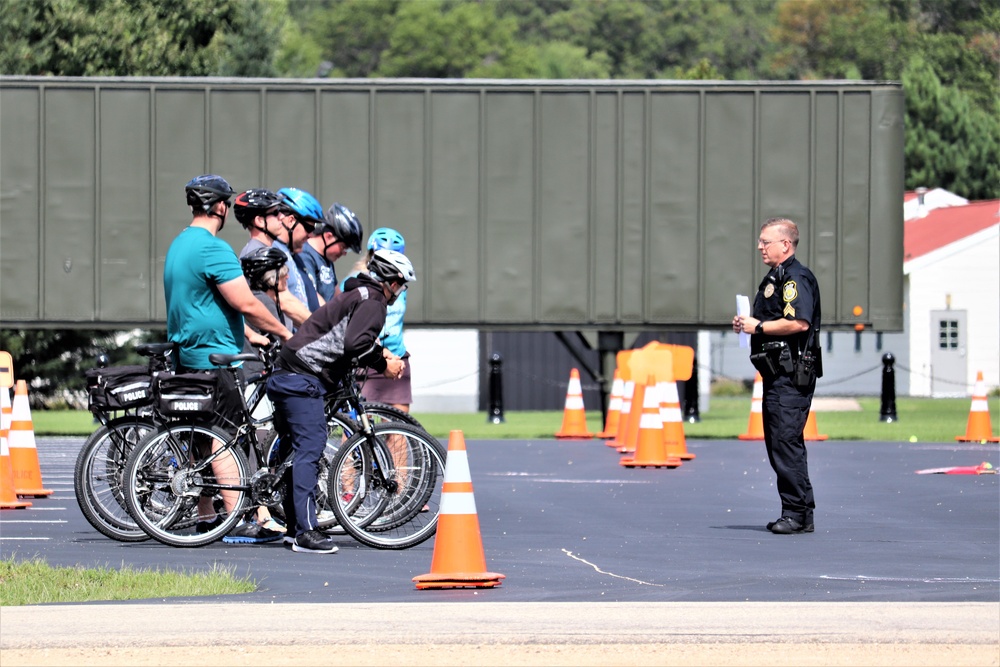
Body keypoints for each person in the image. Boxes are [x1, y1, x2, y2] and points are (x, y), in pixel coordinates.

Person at [165, 174, 293, 541]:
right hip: (215, 357)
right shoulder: (212, 248)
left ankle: (207, 516)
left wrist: (252, 336)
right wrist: (283, 333)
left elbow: (207, 304)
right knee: (227, 437)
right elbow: (245, 302)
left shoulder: (179, 244)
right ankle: (246, 516)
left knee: (202, 438)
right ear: (220, 206)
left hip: (189, 353)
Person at [266, 248, 415, 554]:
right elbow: (356, 343)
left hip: (290, 371)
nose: (401, 293)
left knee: (297, 450)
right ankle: (305, 534)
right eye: (401, 285)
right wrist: (383, 364)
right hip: (301, 376)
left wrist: (380, 355)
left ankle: (295, 526)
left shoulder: (358, 294)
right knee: (310, 447)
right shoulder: (374, 302)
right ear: (389, 281)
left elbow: (351, 338)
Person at [732, 218, 823, 535]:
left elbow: (799, 323)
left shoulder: (795, 278)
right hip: (777, 373)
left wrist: (756, 327)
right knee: (781, 443)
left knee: (785, 443)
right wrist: (751, 323)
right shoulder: (777, 277)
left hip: (790, 375)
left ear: (785, 244)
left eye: (765, 241)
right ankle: (800, 512)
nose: (760, 246)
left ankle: (796, 514)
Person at [341, 227, 412, 414]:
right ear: (372, 254)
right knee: (359, 422)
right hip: (366, 355)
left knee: (398, 420)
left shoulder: (398, 285)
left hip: (396, 354)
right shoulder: (355, 282)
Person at [234, 188, 313, 329]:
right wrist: (321, 329)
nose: (282, 217)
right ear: (259, 221)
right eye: (275, 213)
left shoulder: (269, 251)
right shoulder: (258, 255)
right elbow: (284, 300)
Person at [297, 203, 363, 305]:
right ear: (328, 236)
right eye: (343, 247)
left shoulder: (326, 259)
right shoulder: (305, 256)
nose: (344, 253)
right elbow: (311, 296)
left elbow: (337, 295)